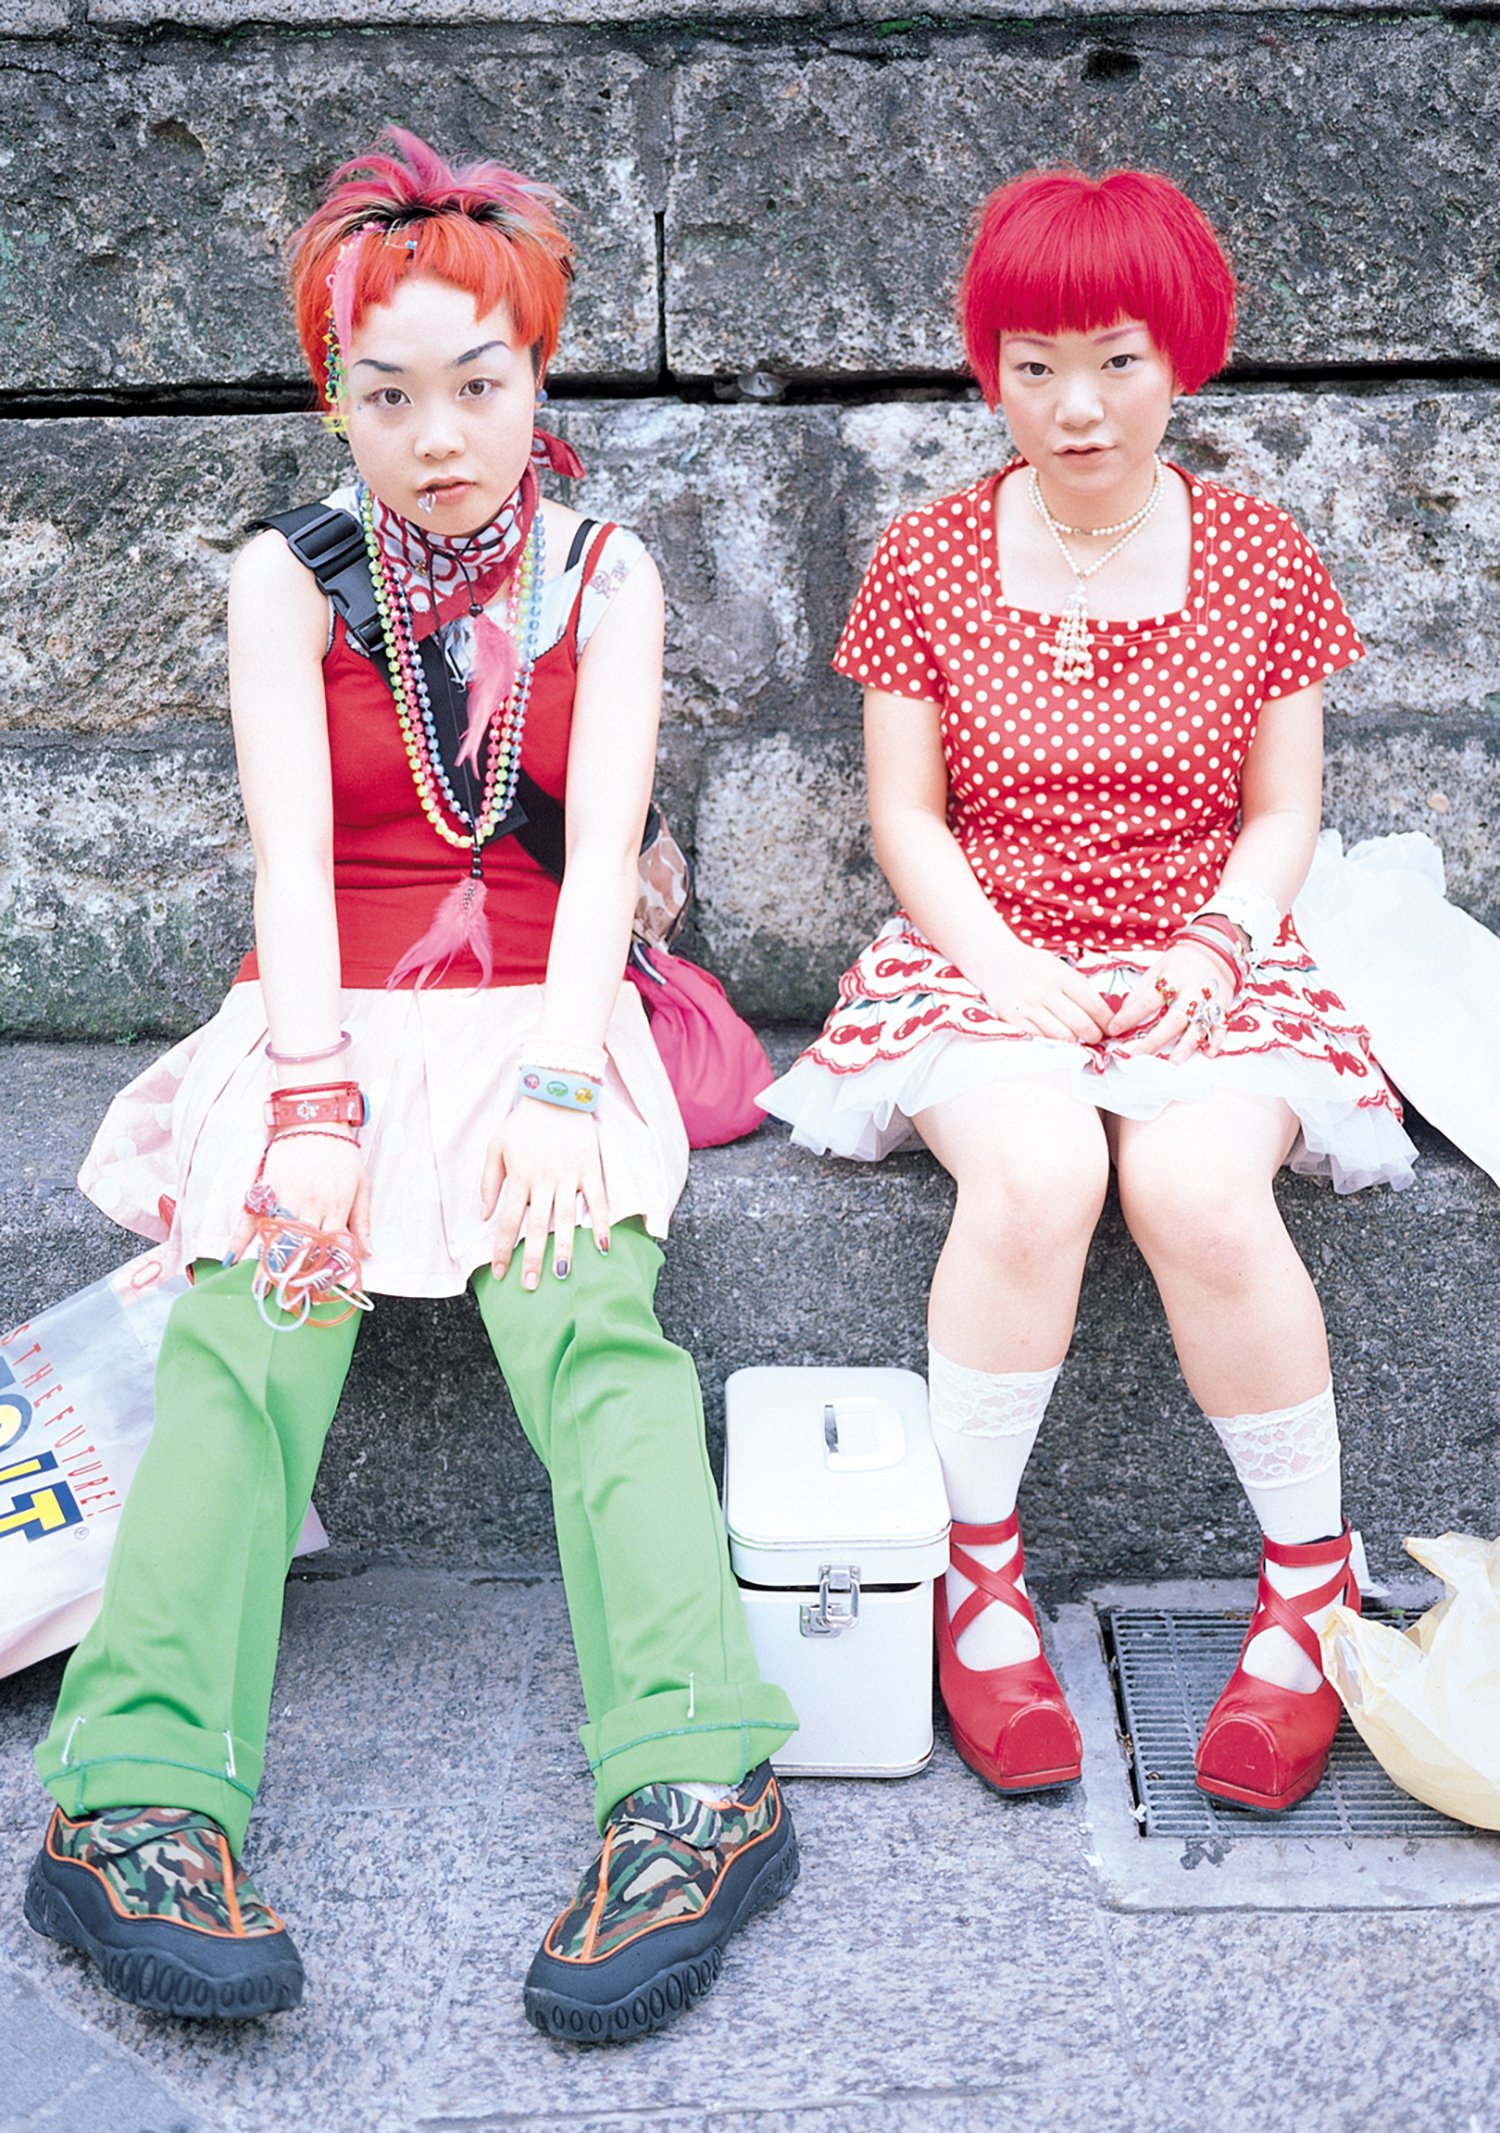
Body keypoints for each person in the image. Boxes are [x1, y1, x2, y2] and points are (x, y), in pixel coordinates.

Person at [26, 129, 798, 2042]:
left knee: (589, 1320)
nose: (439, 433)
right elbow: (291, 863)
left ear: (538, 381)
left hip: (541, 1004)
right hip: (324, 1006)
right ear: (333, 396)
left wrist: (553, 1089)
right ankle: (134, 1798)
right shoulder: (281, 580)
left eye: (482, 385)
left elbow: (600, 850)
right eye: (389, 394)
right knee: (255, 1322)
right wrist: (307, 1107)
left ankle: (700, 1777)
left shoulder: (601, 576)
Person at [762, 168, 1416, 1814]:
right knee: (1043, 1166)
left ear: (1180, 357)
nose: (1076, 405)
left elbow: (1282, 814)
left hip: (1210, 951)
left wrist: (1211, 949)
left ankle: (1309, 1583)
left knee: (1196, 1180)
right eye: (1036, 362)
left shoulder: (1261, 559)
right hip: (988, 949)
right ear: (991, 368)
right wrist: (1005, 970)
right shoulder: (925, 559)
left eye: (1116, 358)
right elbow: (906, 816)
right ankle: (973, 1577)